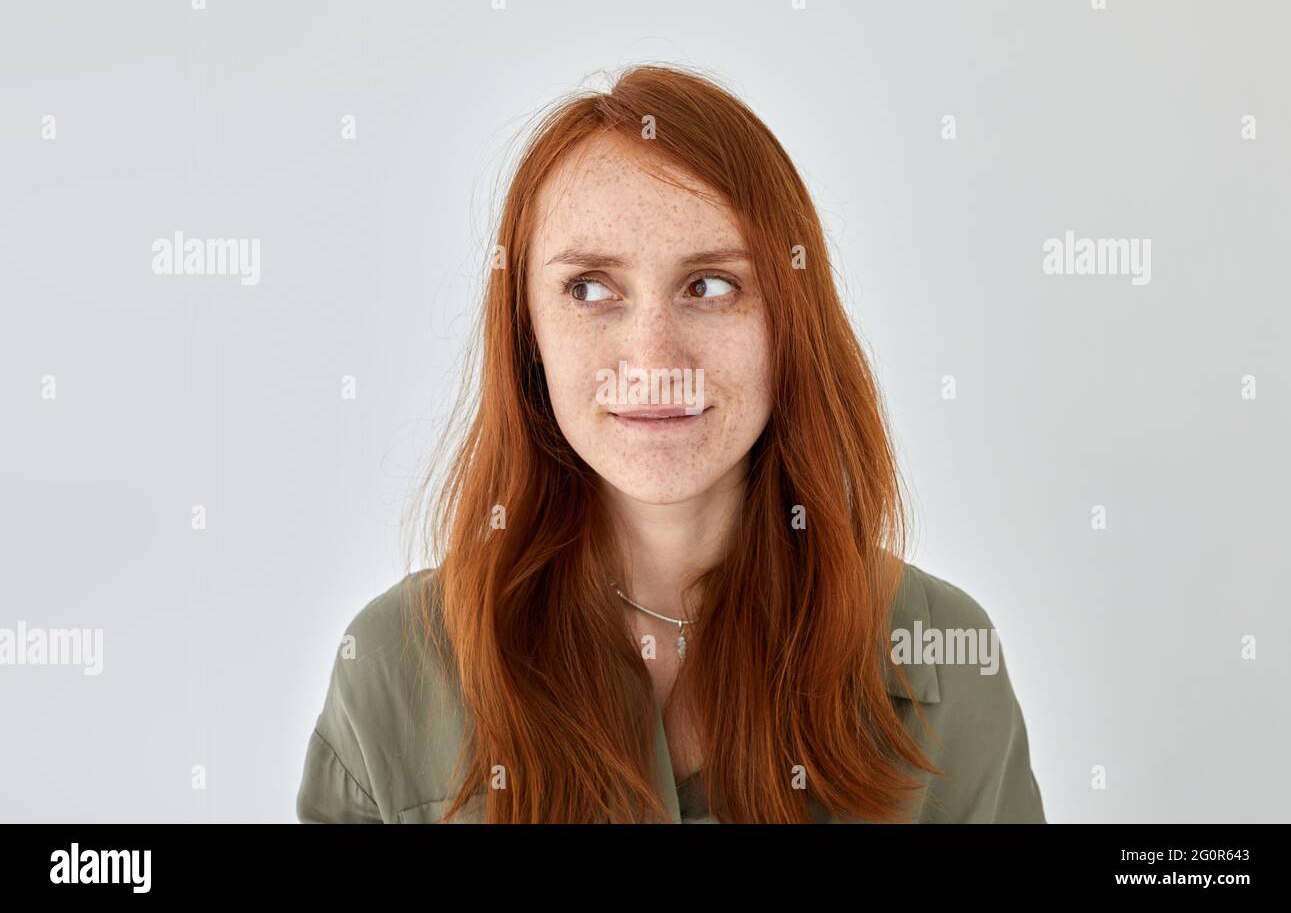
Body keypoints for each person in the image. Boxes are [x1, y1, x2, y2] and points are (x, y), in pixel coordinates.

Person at [296, 63, 1046, 823]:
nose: (653, 362)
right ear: (528, 336)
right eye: (590, 287)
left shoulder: (941, 653)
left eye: (710, 285)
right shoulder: (391, 668)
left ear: (789, 322)